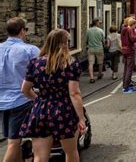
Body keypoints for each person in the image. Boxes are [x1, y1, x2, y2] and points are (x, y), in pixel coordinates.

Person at [20, 29, 86, 162]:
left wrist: (38, 99)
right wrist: (81, 118)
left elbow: (25, 89)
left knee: (39, 156)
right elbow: (74, 93)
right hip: (64, 111)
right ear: (64, 44)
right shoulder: (71, 64)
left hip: (41, 111)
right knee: (71, 152)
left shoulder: (35, 63)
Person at [0, 18, 40, 162]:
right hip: (21, 100)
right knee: (14, 142)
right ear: (22, 31)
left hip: (2, 101)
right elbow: (42, 72)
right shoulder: (30, 50)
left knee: (12, 140)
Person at [121, 17, 136, 93]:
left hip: (124, 50)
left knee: (125, 69)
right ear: (133, 24)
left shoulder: (123, 29)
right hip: (130, 50)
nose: (135, 26)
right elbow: (133, 39)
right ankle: (126, 88)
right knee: (129, 69)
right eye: (135, 25)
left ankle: (124, 85)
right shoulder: (130, 29)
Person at [86, 18, 105, 83]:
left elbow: (86, 40)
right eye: (99, 23)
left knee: (91, 63)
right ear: (96, 23)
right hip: (99, 48)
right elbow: (103, 40)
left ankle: (91, 77)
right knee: (100, 62)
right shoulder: (101, 31)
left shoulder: (88, 30)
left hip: (90, 48)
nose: (99, 24)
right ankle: (99, 74)